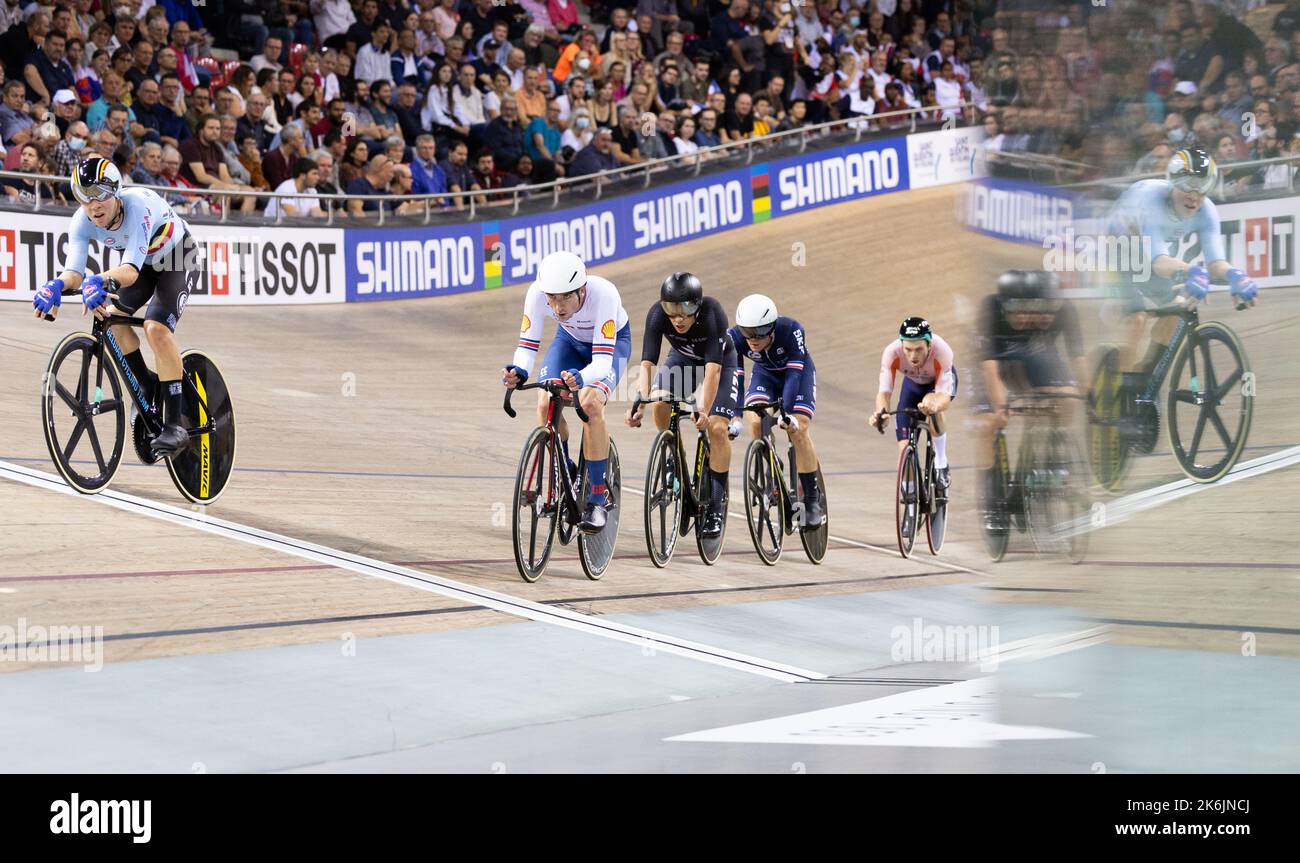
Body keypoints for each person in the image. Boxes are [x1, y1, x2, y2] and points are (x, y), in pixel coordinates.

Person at [31, 156, 199, 456]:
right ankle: (146, 385)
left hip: (177, 257)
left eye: (99, 195)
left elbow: (130, 272)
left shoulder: (136, 208)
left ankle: (175, 425)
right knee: (113, 318)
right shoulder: (82, 221)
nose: (93, 205)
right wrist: (56, 285)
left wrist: (99, 280)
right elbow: (74, 272)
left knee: (155, 328)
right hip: (145, 263)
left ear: (116, 192)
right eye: (84, 196)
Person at [1105, 146, 1259, 389]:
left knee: (1177, 313)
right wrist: (1191, 271)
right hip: (1119, 245)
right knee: (1137, 318)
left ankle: (1144, 376)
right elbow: (1159, 262)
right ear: (1173, 183)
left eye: (1202, 188)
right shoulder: (1152, 202)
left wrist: (1235, 275)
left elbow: (1215, 262)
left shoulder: (1206, 210)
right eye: (1187, 186)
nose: (1194, 196)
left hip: (1146, 252)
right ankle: (1122, 387)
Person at [501, 251, 632, 533]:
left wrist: (580, 378)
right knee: (545, 399)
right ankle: (567, 468)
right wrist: (519, 371)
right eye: (553, 299)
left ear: (581, 290)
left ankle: (597, 498)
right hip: (569, 341)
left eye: (565, 298)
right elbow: (527, 346)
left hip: (610, 347)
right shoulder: (537, 293)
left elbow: (600, 362)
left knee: (591, 403)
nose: (558, 307)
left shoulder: (604, 294)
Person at [626, 272, 739, 538]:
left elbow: (712, 373)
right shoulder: (657, 315)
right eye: (671, 311)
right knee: (660, 400)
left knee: (718, 428)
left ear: (697, 307)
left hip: (720, 363)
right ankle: (672, 459)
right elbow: (647, 364)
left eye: (684, 312)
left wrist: (703, 410)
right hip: (683, 360)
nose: (677, 319)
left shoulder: (712, 313)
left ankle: (715, 506)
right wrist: (641, 400)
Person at [973, 271, 1085, 530]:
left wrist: (1082, 395)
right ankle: (993, 503)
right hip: (993, 360)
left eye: (1029, 308)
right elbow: (990, 370)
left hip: (1028, 356)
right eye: (1016, 309)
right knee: (989, 423)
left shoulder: (1045, 311)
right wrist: (1001, 408)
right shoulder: (991, 311)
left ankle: (1038, 464)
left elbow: (1066, 361)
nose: (1024, 315)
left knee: (1065, 399)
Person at [729, 294, 824, 527]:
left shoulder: (791, 330)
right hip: (766, 375)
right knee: (755, 419)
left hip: (797, 376)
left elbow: (794, 374)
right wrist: (735, 413)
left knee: (798, 428)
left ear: (771, 327)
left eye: (759, 331)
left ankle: (812, 501)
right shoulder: (735, 337)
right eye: (747, 331)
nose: (752, 338)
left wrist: (787, 414)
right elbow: (737, 375)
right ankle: (771, 462)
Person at [870, 317, 958, 536]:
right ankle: (910, 507)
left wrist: (934, 402)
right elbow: (884, 392)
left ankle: (941, 462)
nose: (912, 356)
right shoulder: (892, 352)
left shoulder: (942, 351)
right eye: (908, 350)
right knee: (903, 448)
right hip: (912, 388)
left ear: (929, 344)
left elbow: (945, 397)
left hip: (937, 387)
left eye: (918, 349)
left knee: (934, 409)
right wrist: (882, 413)